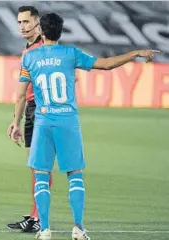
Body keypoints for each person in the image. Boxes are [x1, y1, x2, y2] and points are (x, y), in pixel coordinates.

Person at [10, 12, 160, 240]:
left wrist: (16, 122)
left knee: (41, 175)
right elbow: (107, 65)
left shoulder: (29, 58)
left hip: (42, 122)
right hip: (68, 122)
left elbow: (21, 95)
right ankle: (78, 229)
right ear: (61, 32)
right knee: (75, 175)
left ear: (41, 30)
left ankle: (45, 229)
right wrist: (136, 53)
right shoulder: (71, 54)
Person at [7, 6, 51, 233]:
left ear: (37, 23)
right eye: (19, 23)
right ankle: (36, 215)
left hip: (42, 110)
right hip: (34, 110)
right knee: (36, 167)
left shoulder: (42, 49)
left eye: (26, 22)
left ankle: (39, 218)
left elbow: (23, 92)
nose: (22, 27)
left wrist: (16, 120)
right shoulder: (31, 49)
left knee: (40, 167)